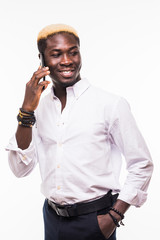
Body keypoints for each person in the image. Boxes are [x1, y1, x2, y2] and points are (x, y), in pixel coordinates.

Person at [6, 24, 153, 240]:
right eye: (56, 54)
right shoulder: (39, 108)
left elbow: (141, 163)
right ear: (42, 59)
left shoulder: (110, 104)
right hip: (51, 218)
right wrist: (26, 110)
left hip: (96, 220)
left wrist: (113, 217)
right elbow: (20, 169)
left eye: (73, 52)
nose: (67, 61)